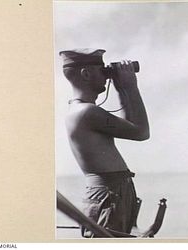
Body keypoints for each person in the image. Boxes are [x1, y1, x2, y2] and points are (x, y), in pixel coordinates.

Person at [59, 48, 150, 237]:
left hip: (112, 195)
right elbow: (141, 132)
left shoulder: (82, 110)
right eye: (102, 70)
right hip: (108, 197)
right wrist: (130, 87)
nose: (107, 76)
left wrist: (121, 89)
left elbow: (131, 126)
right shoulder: (87, 112)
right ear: (86, 73)